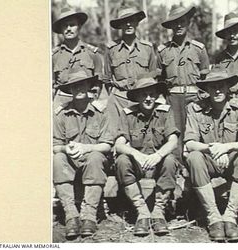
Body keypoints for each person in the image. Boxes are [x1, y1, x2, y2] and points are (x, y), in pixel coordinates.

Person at [184, 67, 238, 242]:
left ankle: (230, 216)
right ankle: (213, 217)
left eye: (221, 85)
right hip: (209, 160)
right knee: (194, 157)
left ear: (228, 87)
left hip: (230, 160)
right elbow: (190, 143)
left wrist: (226, 147)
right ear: (206, 90)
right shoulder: (195, 108)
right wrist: (211, 149)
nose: (218, 90)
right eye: (213, 87)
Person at [115, 74, 180, 237]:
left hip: (158, 165)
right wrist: (135, 154)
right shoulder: (127, 114)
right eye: (144, 94)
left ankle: (158, 212)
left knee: (170, 160)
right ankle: (142, 212)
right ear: (137, 96)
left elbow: (173, 141)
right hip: (138, 165)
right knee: (122, 161)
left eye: (152, 94)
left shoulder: (165, 112)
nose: (148, 98)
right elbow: (119, 144)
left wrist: (158, 155)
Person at [53, 67, 113, 239]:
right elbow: (55, 145)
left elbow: (107, 145)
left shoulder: (101, 112)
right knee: (58, 158)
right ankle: (71, 216)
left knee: (95, 157)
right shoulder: (61, 114)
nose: (79, 89)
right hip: (70, 161)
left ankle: (88, 216)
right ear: (70, 90)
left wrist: (87, 148)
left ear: (89, 86)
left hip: (94, 160)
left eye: (82, 85)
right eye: (74, 86)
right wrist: (66, 149)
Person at [158, 5, 210, 161]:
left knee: (194, 132)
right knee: (175, 133)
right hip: (173, 97)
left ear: (189, 23)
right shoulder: (163, 51)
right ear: (171, 26)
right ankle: (177, 169)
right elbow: (159, 79)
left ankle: (193, 167)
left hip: (194, 97)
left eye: (183, 21)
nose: (179, 26)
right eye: (175, 23)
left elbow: (205, 77)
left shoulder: (198, 49)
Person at [104, 5, 158, 136]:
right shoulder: (112, 49)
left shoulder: (147, 48)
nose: (128, 24)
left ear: (137, 23)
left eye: (132, 20)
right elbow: (106, 78)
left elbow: (152, 77)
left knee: (139, 134)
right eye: (124, 21)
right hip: (118, 98)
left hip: (140, 98)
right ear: (120, 25)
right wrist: (115, 95)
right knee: (116, 135)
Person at [52, 7, 103, 109]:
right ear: (61, 30)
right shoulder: (54, 56)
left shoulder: (92, 53)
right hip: (62, 102)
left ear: (79, 27)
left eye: (72, 25)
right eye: (65, 26)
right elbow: (51, 85)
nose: (68, 29)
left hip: (86, 100)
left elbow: (98, 83)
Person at [215, 12, 238, 109]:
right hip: (227, 106)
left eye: (235, 31)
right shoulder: (220, 58)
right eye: (228, 32)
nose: (232, 35)